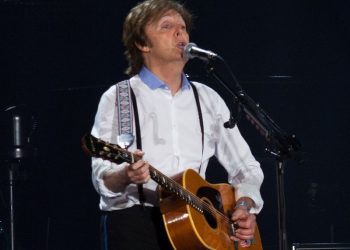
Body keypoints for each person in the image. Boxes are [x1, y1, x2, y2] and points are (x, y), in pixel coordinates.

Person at [90, 0, 264, 249]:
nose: (180, 33)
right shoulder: (118, 98)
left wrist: (245, 205)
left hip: (199, 227)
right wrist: (125, 175)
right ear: (142, 43)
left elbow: (246, 167)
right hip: (136, 226)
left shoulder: (208, 98)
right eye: (167, 26)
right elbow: (101, 178)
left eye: (183, 28)